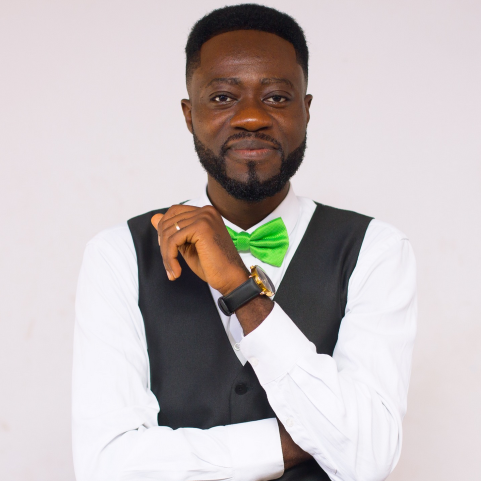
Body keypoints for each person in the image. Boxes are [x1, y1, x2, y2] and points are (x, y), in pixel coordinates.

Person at [72, 4, 417, 481]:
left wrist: (241, 288)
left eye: (276, 97)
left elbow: (369, 455)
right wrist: (294, 443)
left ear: (306, 111)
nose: (252, 117)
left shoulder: (377, 250)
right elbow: (106, 467)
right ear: (189, 115)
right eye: (222, 97)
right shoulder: (117, 255)